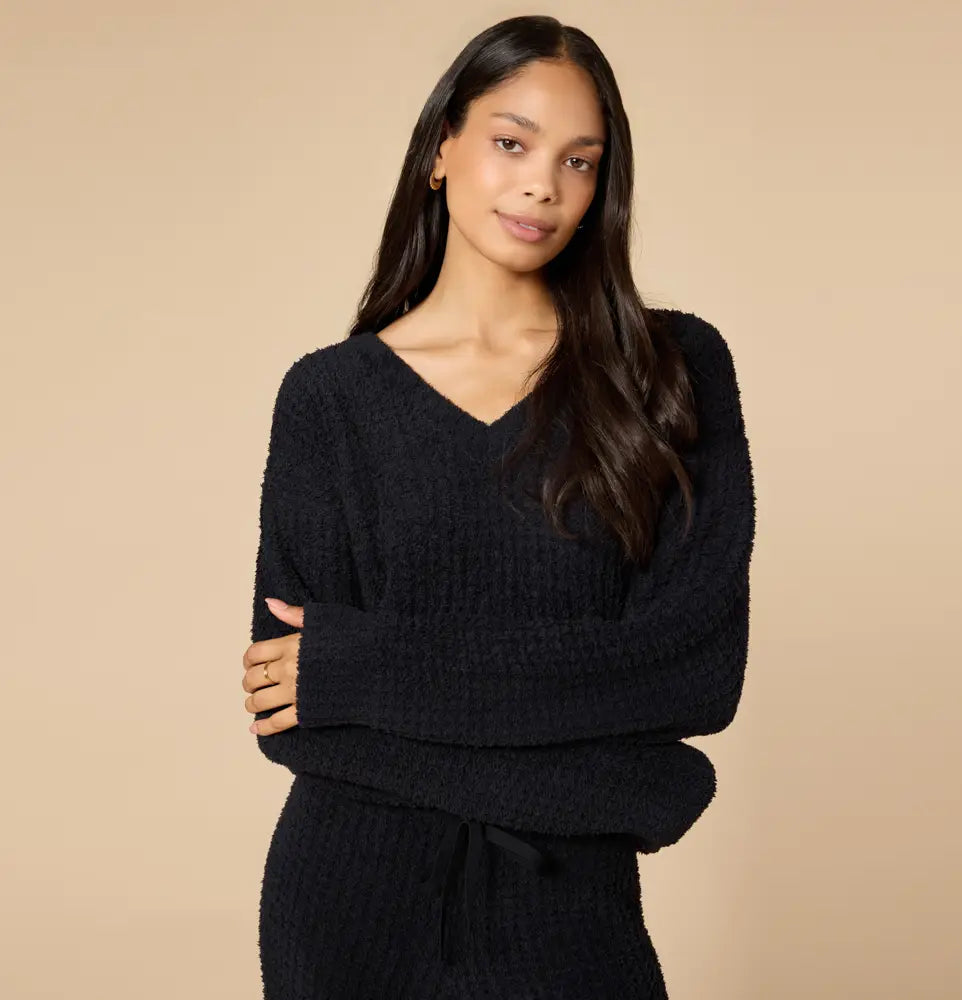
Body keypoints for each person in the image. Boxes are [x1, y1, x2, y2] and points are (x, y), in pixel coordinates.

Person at [241, 14, 756, 1000]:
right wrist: (627, 787)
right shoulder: (330, 398)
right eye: (512, 143)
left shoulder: (670, 371)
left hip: (573, 920)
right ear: (441, 148)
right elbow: (293, 715)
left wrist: (372, 670)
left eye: (579, 161)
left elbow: (692, 670)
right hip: (348, 911)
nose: (542, 185)